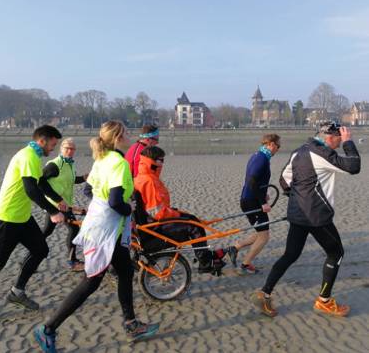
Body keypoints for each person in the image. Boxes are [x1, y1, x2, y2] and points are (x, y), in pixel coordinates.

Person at [34, 121, 159, 353]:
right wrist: (129, 208)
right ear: (119, 137)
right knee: (91, 282)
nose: (131, 134)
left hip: (102, 224)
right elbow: (114, 202)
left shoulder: (102, 159)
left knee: (125, 271)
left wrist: (120, 203)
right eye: (127, 131)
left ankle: (131, 324)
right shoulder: (119, 163)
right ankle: (47, 329)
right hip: (105, 228)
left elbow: (90, 190)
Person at [251, 122, 360, 317]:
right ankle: (324, 301)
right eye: (338, 137)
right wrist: (349, 142)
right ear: (329, 137)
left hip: (298, 214)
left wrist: (298, 198)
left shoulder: (299, 151)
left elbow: (284, 180)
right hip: (316, 217)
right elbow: (354, 166)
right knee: (337, 253)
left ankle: (264, 293)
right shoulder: (323, 153)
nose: (339, 141)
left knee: (290, 255)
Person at [0, 125, 64, 310]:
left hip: (23, 217)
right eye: (52, 144)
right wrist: (53, 212)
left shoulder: (34, 156)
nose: (53, 149)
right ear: (42, 140)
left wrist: (58, 201)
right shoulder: (28, 156)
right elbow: (31, 190)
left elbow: (41, 183)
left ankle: (17, 292)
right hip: (8, 216)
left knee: (40, 249)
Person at [134, 146, 227, 274]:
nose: (162, 164)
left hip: (151, 222)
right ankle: (205, 262)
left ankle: (205, 258)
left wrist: (181, 214)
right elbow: (157, 212)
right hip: (154, 227)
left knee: (193, 220)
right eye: (161, 161)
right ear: (153, 162)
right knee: (194, 227)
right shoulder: (149, 181)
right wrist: (177, 214)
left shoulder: (142, 177)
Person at [227, 134, 281, 274]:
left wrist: (263, 194)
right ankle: (245, 264)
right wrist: (262, 202)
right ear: (270, 144)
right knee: (264, 236)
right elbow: (251, 180)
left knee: (261, 232)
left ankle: (235, 247)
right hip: (252, 202)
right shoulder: (261, 158)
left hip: (250, 199)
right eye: (278, 146)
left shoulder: (258, 155)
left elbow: (255, 182)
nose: (278, 149)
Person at [39, 138, 88, 272]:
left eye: (73, 149)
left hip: (65, 205)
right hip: (56, 205)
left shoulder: (70, 164)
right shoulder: (55, 165)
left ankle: (30, 255)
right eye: (67, 148)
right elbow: (40, 182)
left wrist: (83, 178)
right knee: (74, 229)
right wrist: (56, 200)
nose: (70, 151)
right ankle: (72, 262)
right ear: (61, 148)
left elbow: (70, 180)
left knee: (46, 232)